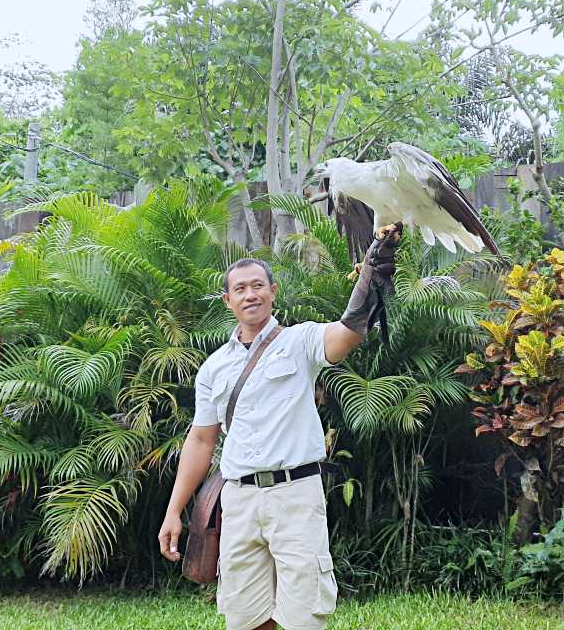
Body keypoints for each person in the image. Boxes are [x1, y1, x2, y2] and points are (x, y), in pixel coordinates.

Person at [157, 228, 399, 630]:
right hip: (239, 502)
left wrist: (366, 281)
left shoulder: (299, 341)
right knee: (245, 616)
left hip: (295, 496)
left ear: (273, 291)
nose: (250, 294)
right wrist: (173, 511)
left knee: (303, 616)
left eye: (257, 286)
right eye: (240, 289)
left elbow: (345, 335)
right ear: (228, 300)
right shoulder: (214, 367)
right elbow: (201, 441)